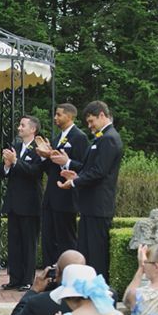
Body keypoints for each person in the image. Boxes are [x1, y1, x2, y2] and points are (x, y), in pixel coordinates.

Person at [54, 101, 123, 282]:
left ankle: (98, 292)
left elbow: (99, 172)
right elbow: (89, 168)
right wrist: (73, 171)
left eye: (92, 121)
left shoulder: (109, 138)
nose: (90, 126)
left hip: (99, 207)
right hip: (90, 206)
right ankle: (86, 290)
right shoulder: (102, 136)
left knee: (96, 255)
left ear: (102, 115)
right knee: (86, 252)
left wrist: (75, 181)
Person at [34, 103, 88, 267]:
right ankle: (51, 276)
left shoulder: (79, 137)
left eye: (59, 114)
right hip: (51, 196)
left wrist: (67, 163)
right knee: (49, 239)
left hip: (67, 198)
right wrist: (45, 155)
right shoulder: (57, 138)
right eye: (55, 114)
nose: (55, 118)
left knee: (66, 240)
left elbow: (84, 167)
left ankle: (70, 274)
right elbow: (51, 170)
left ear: (70, 116)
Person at [0, 115, 46, 291]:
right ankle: (15, 278)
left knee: (29, 243)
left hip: (30, 204)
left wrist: (16, 162)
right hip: (13, 202)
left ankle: (27, 279)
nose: (19, 128)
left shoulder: (38, 148)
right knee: (14, 243)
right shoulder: (15, 146)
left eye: (23, 125)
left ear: (33, 129)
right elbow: (2, 173)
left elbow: (35, 172)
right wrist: (6, 165)